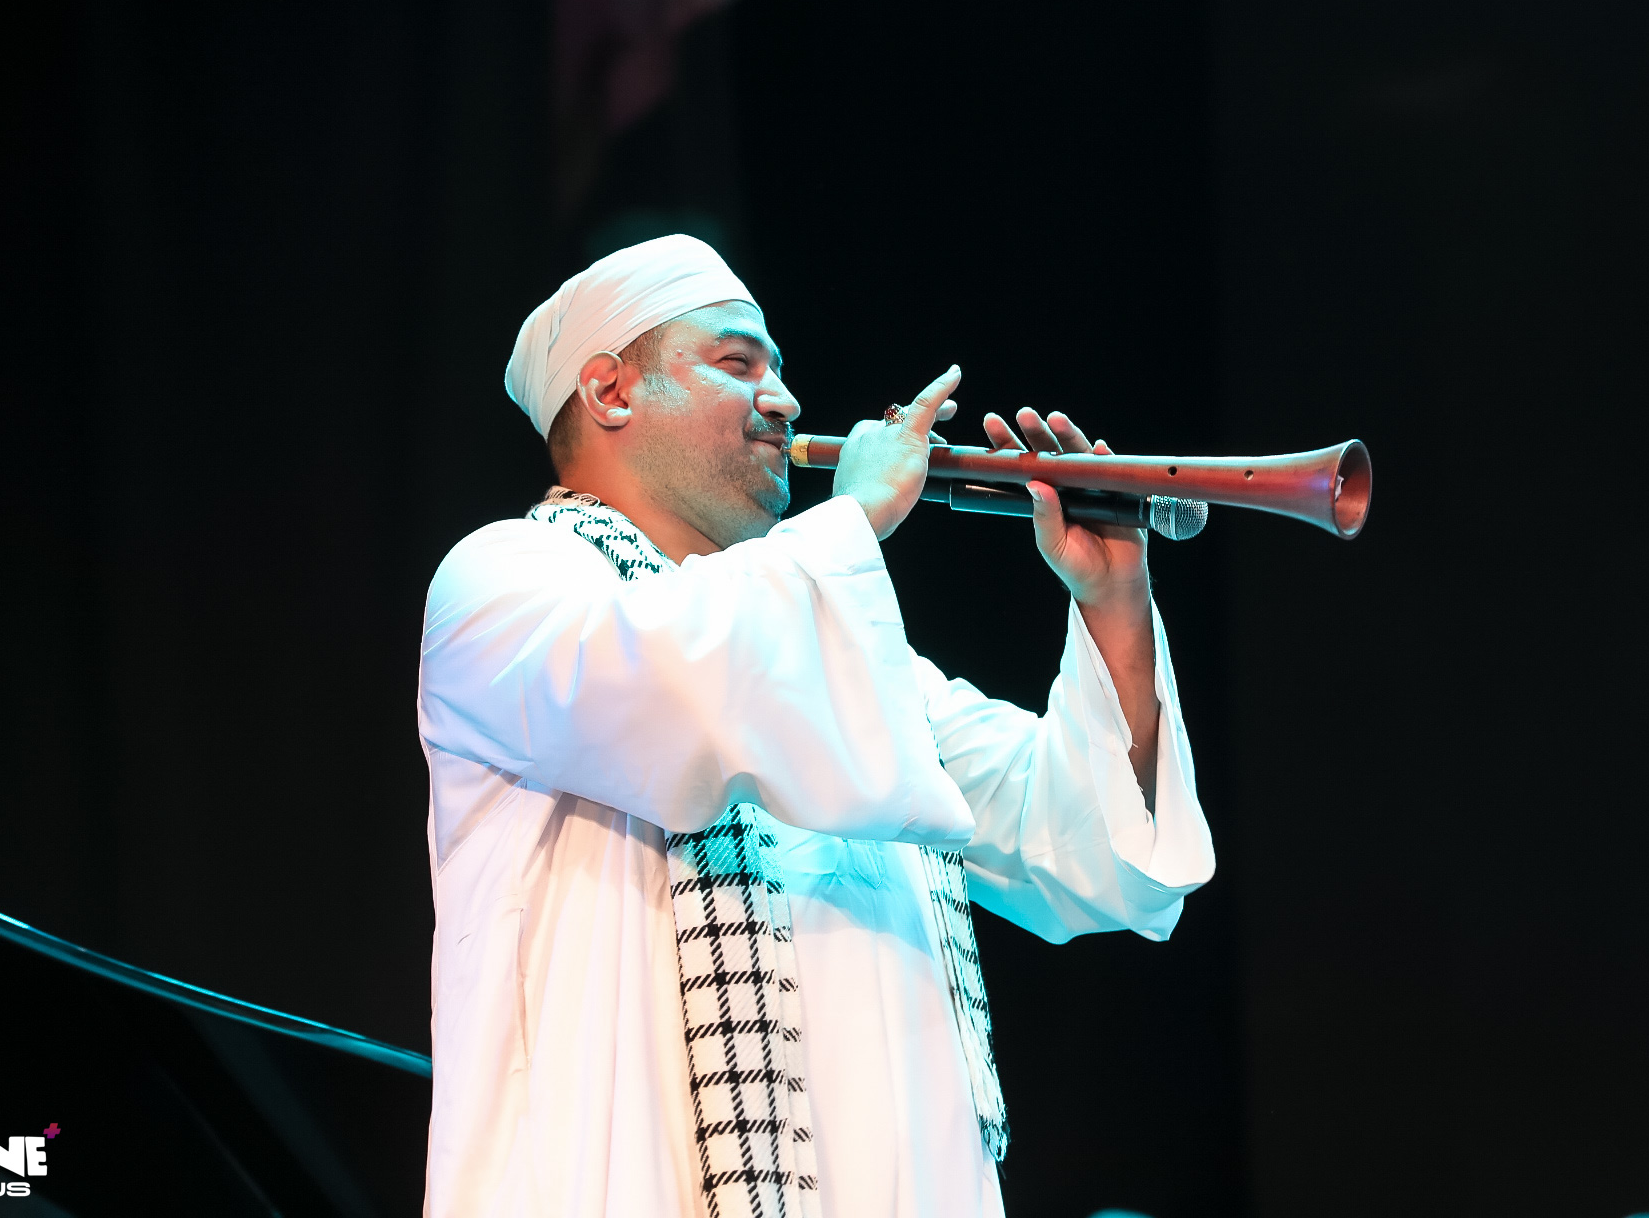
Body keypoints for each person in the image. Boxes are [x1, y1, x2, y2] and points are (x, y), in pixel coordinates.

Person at [417, 235, 1215, 1218]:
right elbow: (676, 682)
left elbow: (1091, 845)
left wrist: (1114, 599)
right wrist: (858, 516)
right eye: (738, 363)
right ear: (610, 391)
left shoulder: (851, 657)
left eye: (781, 370)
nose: (786, 400)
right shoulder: (503, 583)